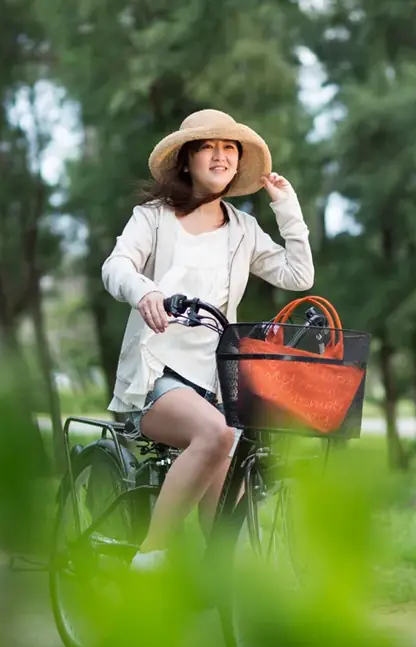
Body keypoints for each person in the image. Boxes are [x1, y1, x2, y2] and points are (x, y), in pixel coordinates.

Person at [100, 109, 314, 572]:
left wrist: (286, 206)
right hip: (157, 372)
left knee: (232, 487)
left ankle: (224, 589)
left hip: (218, 380)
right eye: (208, 147)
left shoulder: (242, 229)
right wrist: (146, 291)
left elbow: (299, 275)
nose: (221, 156)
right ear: (187, 159)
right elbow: (116, 267)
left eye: (229, 148)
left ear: (238, 163)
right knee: (215, 433)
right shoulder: (152, 219)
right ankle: (151, 552)